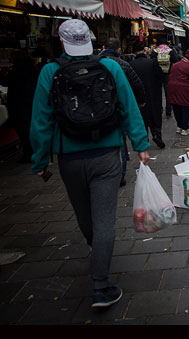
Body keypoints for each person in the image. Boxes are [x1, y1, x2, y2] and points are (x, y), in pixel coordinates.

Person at [29, 19, 150, 308]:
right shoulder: (110, 67)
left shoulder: (49, 71)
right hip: (107, 155)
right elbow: (128, 107)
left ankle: (97, 251)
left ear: (61, 42)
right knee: (105, 219)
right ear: (90, 40)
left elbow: (41, 120)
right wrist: (141, 145)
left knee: (85, 216)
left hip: (69, 158)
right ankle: (101, 285)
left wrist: (40, 160)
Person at [99, 38, 147, 187]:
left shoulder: (96, 64)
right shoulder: (122, 64)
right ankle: (120, 175)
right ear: (119, 50)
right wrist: (141, 100)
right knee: (120, 141)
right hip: (118, 109)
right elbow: (136, 83)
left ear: (103, 47)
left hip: (99, 112)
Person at [0, 50, 38, 163]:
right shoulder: (33, 69)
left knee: (24, 131)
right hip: (31, 103)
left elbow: (6, 82)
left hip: (20, 105)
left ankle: (29, 153)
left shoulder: (16, 71)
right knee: (31, 129)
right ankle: (35, 151)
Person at [130, 43, 165, 149]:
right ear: (144, 52)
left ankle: (145, 138)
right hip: (153, 95)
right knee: (155, 116)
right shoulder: (152, 62)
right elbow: (161, 77)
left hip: (138, 97)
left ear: (134, 54)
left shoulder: (131, 65)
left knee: (142, 119)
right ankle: (156, 134)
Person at [155, 42, 173, 118]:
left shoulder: (156, 51)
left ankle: (159, 110)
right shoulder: (170, 51)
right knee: (168, 93)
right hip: (167, 74)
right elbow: (175, 59)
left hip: (158, 74)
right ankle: (168, 112)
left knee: (158, 93)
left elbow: (152, 61)